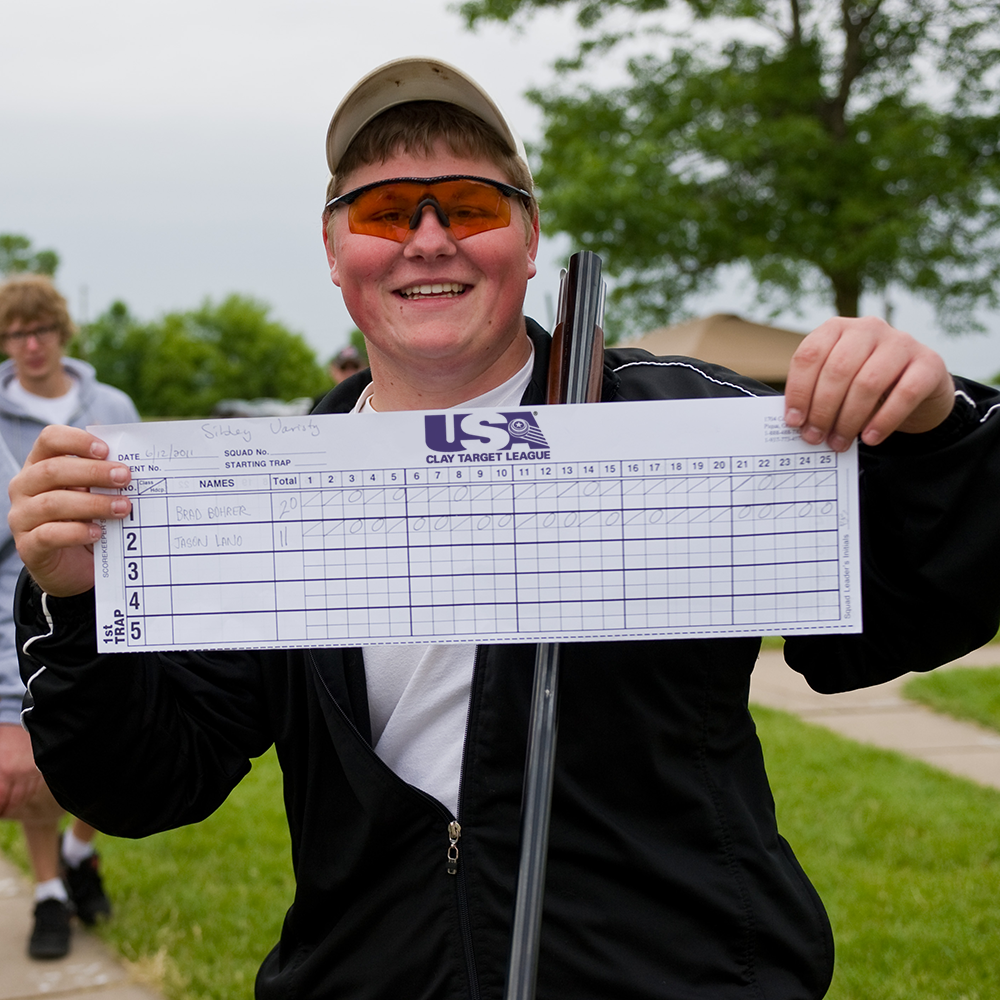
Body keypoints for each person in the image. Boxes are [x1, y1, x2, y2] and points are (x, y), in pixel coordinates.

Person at [8, 57, 1000, 998]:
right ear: (334, 252)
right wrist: (75, 600)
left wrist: (934, 430)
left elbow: (909, 611)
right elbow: (145, 784)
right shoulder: (262, 492)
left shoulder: (683, 426)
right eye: (384, 211)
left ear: (529, 241)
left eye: (471, 205)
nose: (427, 238)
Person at [0, 274, 139, 959]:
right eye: (15, 333)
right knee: (38, 762)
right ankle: (50, 890)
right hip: (21, 609)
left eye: (41, 330)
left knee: (113, 745)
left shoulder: (112, 407)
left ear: (61, 333)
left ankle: (81, 850)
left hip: (114, 599)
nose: (30, 344)